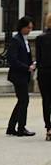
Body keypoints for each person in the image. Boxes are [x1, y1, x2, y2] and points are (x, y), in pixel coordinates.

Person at [6, 16, 36, 137]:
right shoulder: (16, 40)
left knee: (21, 101)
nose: (30, 30)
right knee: (24, 100)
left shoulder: (23, 39)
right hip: (18, 75)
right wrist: (27, 67)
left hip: (23, 75)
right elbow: (12, 59)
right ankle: (21, 128)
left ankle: (11, 127)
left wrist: (31, 64)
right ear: (22, 27)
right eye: (28, 27)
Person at [35, 13, 51, 141]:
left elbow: (38, 59)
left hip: (44, 73)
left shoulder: (40, 39)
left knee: (46, 100)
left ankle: (48, 128)